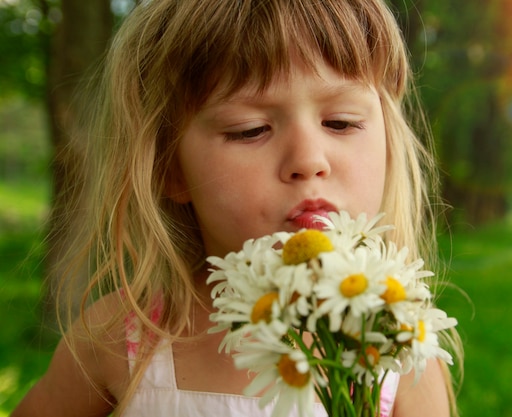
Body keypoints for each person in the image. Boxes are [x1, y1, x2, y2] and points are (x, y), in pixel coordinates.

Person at [12, 0, 462, 416]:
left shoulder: (396, 349)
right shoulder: (119, 338)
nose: (308, 160)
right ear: (171, 169)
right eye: (250, 130)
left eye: (340, 123)